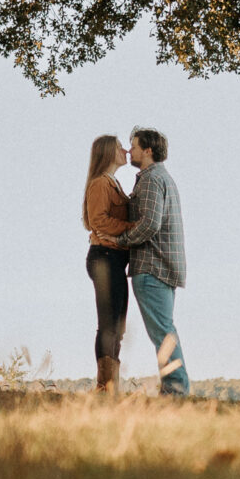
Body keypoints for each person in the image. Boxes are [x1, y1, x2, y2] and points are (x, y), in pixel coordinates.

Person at [112, 127, 189, 396]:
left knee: (163, 334)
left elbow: (149, 225)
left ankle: (176, 391)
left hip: (152, 265)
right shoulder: (158, 178)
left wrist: (120, 240)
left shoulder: (152, 180)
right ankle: (176, 389)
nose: (129, 151)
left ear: (148, 150)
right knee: (164, 331)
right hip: (163, 265)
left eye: (133, 147)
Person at [82, 134, 132, 394]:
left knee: (118, 325)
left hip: (114, 260)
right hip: (104, 258)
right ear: (107, 153)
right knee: (109, 324)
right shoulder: (100, 184)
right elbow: (98, 221)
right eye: (119, 147)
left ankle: (111, 385)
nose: (125, 150)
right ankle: (105, 386)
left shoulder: (114, 184)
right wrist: (131, 229)